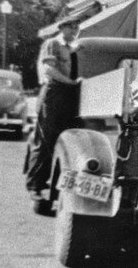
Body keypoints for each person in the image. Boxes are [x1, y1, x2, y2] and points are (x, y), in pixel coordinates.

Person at [25, 17, 82, 200]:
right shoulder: (52, 43)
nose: (75, 30)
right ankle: (35, 185)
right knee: (46, 139)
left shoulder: (67, 47)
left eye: (77, 28)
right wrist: (71, 82)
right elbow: (49, 70)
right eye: (72, 27)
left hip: (65, 94)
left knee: (61, 139)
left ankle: (49, 183)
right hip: (53, 93)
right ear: (63, 27)